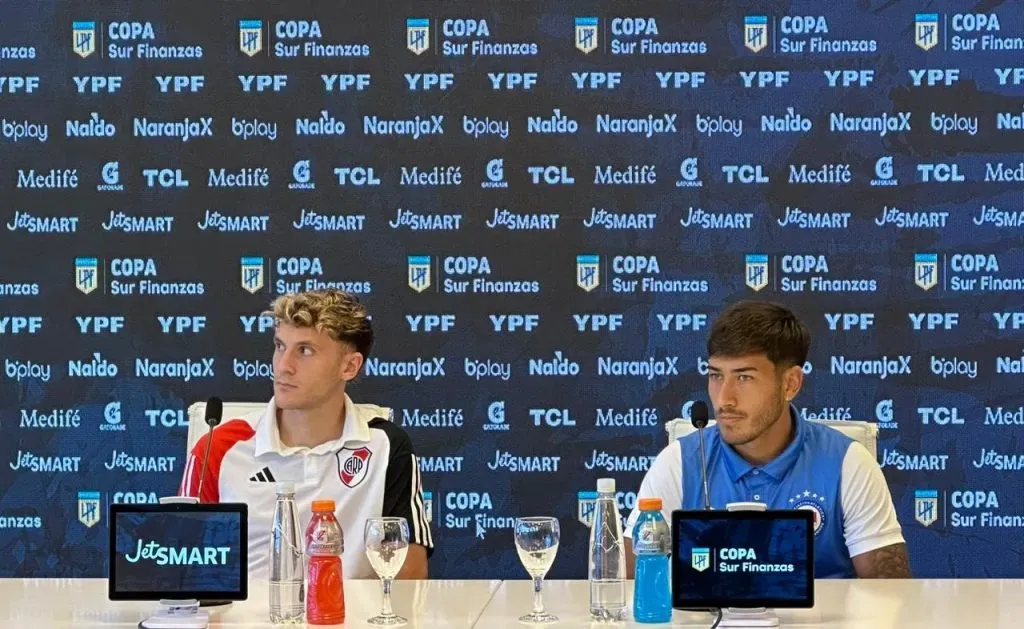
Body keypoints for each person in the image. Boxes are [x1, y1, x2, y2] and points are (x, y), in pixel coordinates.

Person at [624, 300, 911, 579]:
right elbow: (629, 589)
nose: (724, 399)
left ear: (790, 384)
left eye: (744, 378)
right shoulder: (679, 463)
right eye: (716, 376)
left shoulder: (848, 462)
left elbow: (890, 599)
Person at [179, 289, 432, 579]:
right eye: (279, 346)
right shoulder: (218, 447)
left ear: (349, 366)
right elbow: (183, 575)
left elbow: (409, 583)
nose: (283, 366)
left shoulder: (386, 447)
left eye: (305, 350)